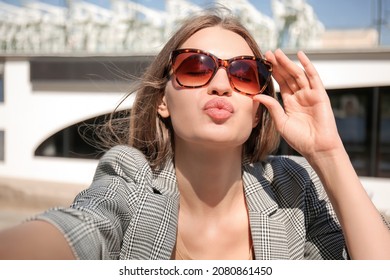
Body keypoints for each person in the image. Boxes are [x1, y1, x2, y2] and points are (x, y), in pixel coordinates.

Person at [0, 8, 389, 260]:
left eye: (243, 74)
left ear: (257, 111)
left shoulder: (294, 184)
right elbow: (80, 228)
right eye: (195, 67)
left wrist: (328, 152)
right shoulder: (129, 178)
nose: (221, 85)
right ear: (163, 101)